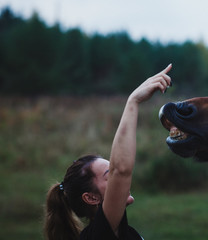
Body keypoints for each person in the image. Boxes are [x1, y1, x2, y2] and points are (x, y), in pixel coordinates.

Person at [44, 64, 173, 240]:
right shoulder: (99, 235)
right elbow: (121, 170)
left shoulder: (122, 232)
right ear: (91, 198)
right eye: (109, 176)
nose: (118, 180)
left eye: (112, 172)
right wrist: (133, 101)